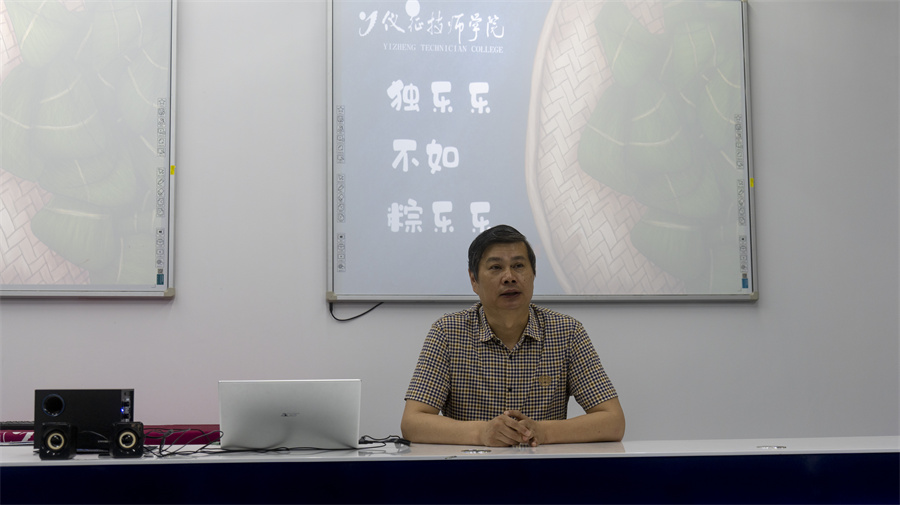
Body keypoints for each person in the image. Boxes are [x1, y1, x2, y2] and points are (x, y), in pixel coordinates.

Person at [401, 225, 625, 447]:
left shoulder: (567, 332)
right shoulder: (448, 332)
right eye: (496, 267)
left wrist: (543, 431)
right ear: (474, 280)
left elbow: (613, 422)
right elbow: (412, 423)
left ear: (533, 274)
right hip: (472, 467)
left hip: (542, 467)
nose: (509, 277)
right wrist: (482, 433)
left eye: (518, 266)